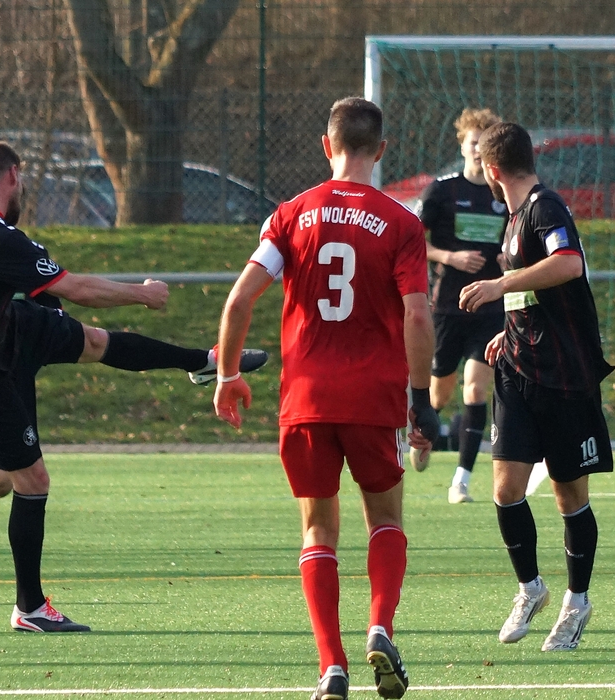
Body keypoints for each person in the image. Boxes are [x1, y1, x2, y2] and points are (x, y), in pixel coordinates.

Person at [0, 140, 185, 632]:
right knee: (31, 481)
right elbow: (77, 289)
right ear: (13, 175)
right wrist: (142, 295)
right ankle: (30, 608)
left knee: (9, 476)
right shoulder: (0, 238)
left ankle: (25, 596)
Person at [214, 97, 439, 700]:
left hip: (306, 399)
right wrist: (422, 397)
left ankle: (331, 667)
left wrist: (228, 374)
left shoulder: (289, 215)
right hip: (374, 397)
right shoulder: (402, 223)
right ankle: (381, 627)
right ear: (382, 150)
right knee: (386, 520)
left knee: (318, 533)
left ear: (325, 145)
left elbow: (238, 303)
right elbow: (418, 315)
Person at [0, 293, 269, 578]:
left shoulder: (18, 259)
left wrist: (133, 296)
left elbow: (74, 301)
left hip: (10, 383)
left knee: (3, 482)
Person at [459, 122, 612, 652]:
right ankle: (530, 588)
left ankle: (576, 603)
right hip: (519, 370)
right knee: (506, 489)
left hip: (565, 378)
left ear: (492, 169)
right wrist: (510, 326)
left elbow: (567, 264)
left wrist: (501, 285)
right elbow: (537, 288)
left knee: (570, 496)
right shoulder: (514, 217)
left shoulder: (546, 208)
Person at [410, 108, 508, 504]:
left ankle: (462, 480)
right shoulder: (442, 190)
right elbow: (413, 241)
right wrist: (449, 258)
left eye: (485, 146)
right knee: (439, 392)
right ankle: (424, 434)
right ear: (462, 145)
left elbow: (518, 237)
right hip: (449, 306)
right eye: (473, 143)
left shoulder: (502, 192)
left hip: (490, 306)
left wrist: (508, 259)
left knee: (476, 388)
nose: (478, 152)